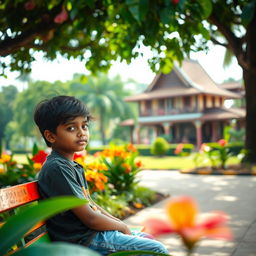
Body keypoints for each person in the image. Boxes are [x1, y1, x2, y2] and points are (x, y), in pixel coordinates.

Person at [34, 95, 169, 256]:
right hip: (83, 241)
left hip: (93, 236)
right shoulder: (57, 168)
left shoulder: (72, 166)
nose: (81, 133)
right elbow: (90, 218)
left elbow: (92, 205)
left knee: (148, 239)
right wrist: (123, 227)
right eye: (71, 128)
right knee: (157, 250)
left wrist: (119, 224)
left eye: (84, 126)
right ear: (51, 136)